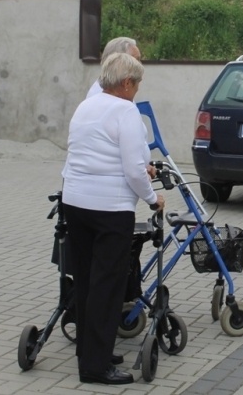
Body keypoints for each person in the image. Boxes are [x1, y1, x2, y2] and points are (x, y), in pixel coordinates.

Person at [62, 52, 164, 385]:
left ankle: (91, 352)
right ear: (125, 83)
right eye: (136, 83)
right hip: (110, 210)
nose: (137, 90)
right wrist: (152, 198)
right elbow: (134, 169)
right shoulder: (126, 111)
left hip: (75, 203)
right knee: (107, 287)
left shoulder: (85, 106)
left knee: (87, 281)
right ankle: (96, 368)